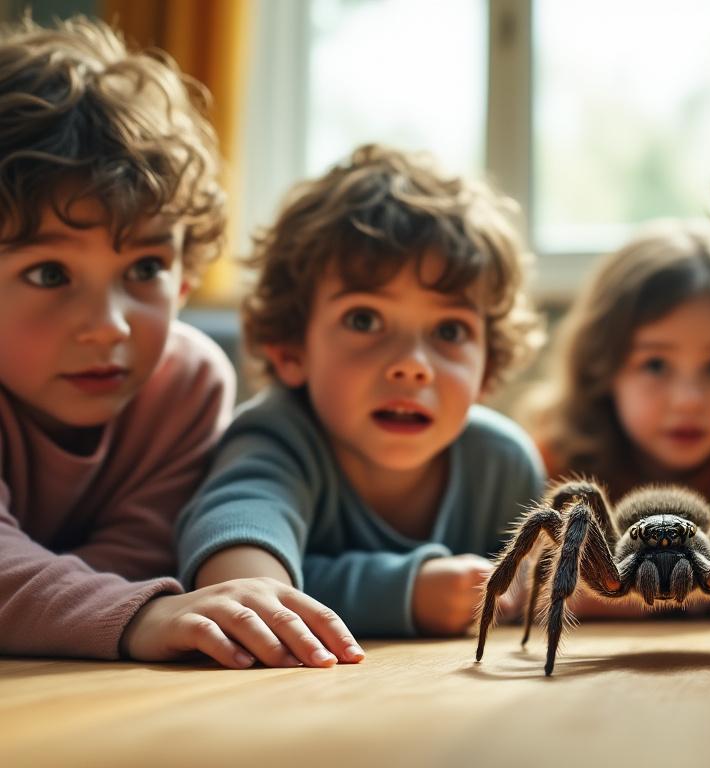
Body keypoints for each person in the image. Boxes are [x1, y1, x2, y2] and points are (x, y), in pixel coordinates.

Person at [0, 15, 331, 667]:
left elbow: (137, 553)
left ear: (184, 282)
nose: (111, 324)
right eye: (49, 273)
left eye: (145, 269)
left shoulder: (185, 383)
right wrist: (138, 614)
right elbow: (127, 598)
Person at [176, 145, 546, 644]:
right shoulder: (277, 437)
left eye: (450, 331)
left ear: (487, 369)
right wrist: (405, 593)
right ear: (290, 347)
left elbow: (539, 591)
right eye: (364, 320)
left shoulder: (503, 464)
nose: (413, 365)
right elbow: (242, 576)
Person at [521, 219, 710, 623]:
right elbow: (525, 577)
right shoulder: (562, 457)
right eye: (654, 364)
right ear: (603, 367)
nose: (688, 401)